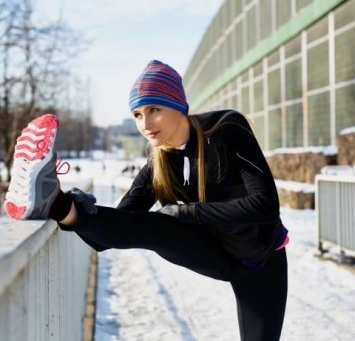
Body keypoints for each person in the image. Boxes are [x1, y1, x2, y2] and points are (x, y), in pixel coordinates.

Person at [5, 59, 289, 341]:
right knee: (155, 225)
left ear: (179, 106)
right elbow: (115, 232)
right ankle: (54, 203)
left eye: (154, 110)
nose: (145, 124)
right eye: (138, 114)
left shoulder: (226, 128)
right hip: (213, 251)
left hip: (259, 260)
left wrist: (187, 212)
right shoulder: (159, 162)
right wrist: (76, 208)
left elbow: (265, 205)